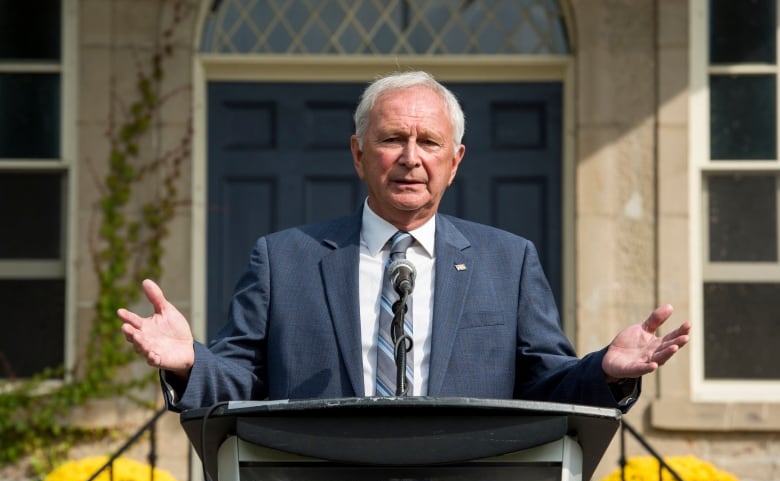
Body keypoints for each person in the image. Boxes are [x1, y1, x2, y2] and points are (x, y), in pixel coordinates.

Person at [118, 71, 691, 413]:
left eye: (429, 142)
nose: (411, 158)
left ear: (455, 161)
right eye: (392, 139)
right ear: (358, 153)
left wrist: (607, 371)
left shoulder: (508, 261)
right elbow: (241, 383)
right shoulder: (283, 259)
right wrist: (191, 363)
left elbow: (545, 385)